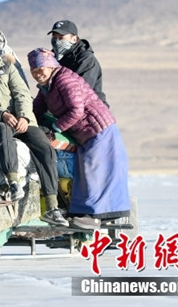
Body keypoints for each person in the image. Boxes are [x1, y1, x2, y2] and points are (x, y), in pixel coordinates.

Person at [0, 32, 68, 227]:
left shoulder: (7, 66)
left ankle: (52, 207)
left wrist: (24, 116)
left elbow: (21, 93)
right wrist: (2, 114)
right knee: (2, 131)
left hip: (21, 119)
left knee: (43, 146)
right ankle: (13, 182)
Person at [27, 48, 131, 229]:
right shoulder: (47, 87)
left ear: (50, 66)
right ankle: (87, 213)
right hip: (85, 132)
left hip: (98, 129)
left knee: (94, 172)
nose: (37, 74)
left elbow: (77, 110)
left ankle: (94, 217)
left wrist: (55, 127)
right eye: (33, 71)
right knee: (84, 171)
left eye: (40, 69)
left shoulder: (64, 80)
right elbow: (37, 109)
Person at [47, 19, 108, 107]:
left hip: (91, 110)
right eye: (54, 37)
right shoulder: (53, 57)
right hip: (64, 107)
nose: (57, 42)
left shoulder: (85, 59)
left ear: (74, 39)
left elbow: (79, 91)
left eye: (61, 38)